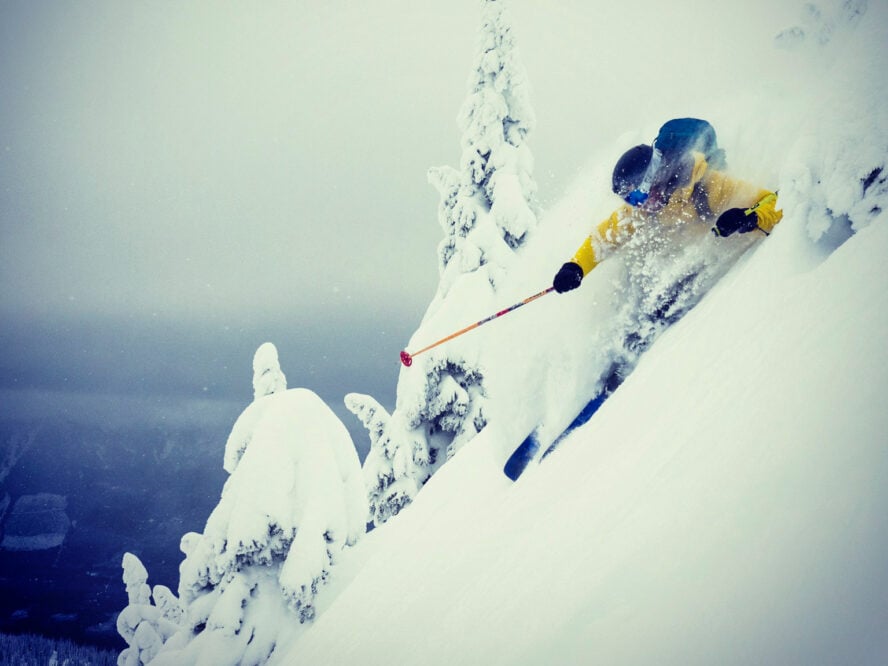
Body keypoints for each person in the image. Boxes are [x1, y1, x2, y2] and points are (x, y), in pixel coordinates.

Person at [552, 119, 782, 294]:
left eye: (636, 196)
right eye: (629, 200)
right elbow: (604, 237)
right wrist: (576, 267)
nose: (637, 205)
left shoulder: (707, 187)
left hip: (701, 272)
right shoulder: (645, 210)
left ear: (654, 179)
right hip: (667, 270)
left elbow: (776, 202)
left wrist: (747, 217)